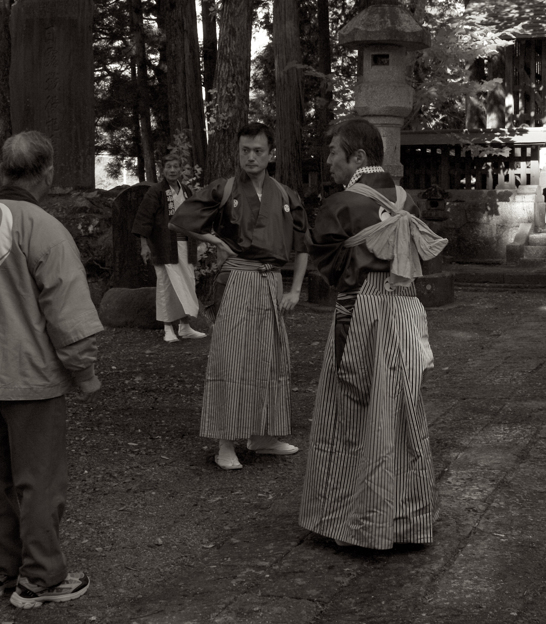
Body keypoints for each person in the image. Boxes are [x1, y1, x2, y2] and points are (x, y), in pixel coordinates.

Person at [0, 131, 102, 608]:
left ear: (3, 171)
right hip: (30, 377)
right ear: (46, 172)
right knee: (40, 478)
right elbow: (67, 311)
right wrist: (84, 371)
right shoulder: (44, 227)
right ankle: (42, 578)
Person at [300, 117, 445, 550]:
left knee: (351, 411)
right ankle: (406, 520)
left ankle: (351, 520)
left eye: (334, 153)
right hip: (403, 308)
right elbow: (425, 259)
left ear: (359, 157)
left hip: (360, 310)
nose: (328, 162)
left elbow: (328, 264)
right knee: (401, 409)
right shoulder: (408, 201)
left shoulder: (340, 204)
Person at [169, 122, 309, 471]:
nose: (251, 156)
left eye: (258, 150)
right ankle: (225, 442)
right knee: (230, 357)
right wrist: (213, 240)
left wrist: (294, 289)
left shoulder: (287, 194)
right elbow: (180, 219)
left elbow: (304, 243)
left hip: (273, 280)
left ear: (271, 154)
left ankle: (263, 436)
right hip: (238, 277)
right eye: (245, 150)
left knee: (271, 358)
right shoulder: (225, 188)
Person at [132, 153, 206, 342]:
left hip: (185, 246)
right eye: (168, 167)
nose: (172, 170)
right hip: (163, 246)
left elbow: (195, 218)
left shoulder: (187, 191)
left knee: (186, 283)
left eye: (176, 167)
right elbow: (144, 219)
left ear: (181, 170)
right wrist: (144, 245)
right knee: (166, 285)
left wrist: (202, 241)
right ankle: (167, 328)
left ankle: (184, 326)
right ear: (162, 170)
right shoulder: (156, 191)